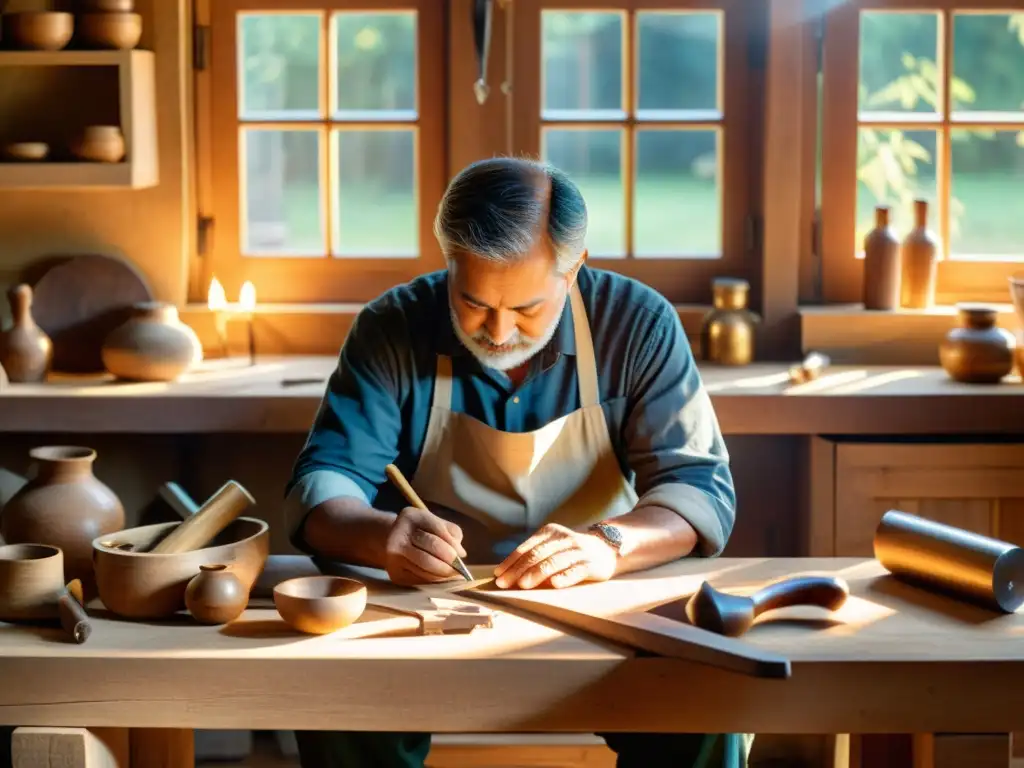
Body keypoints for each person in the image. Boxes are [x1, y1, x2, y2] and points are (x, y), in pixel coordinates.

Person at [283, 156, 749, 768]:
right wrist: (383, 537)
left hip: (603, 599)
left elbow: (698, 486)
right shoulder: (392, 326)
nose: (499, 333)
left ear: (574, 267)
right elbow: (323, 484)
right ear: (447, 258)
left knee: (701, 704)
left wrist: (611, 543)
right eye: (473, 303)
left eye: (526, 309)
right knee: (336, 703)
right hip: (425, 606)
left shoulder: (636, 324)